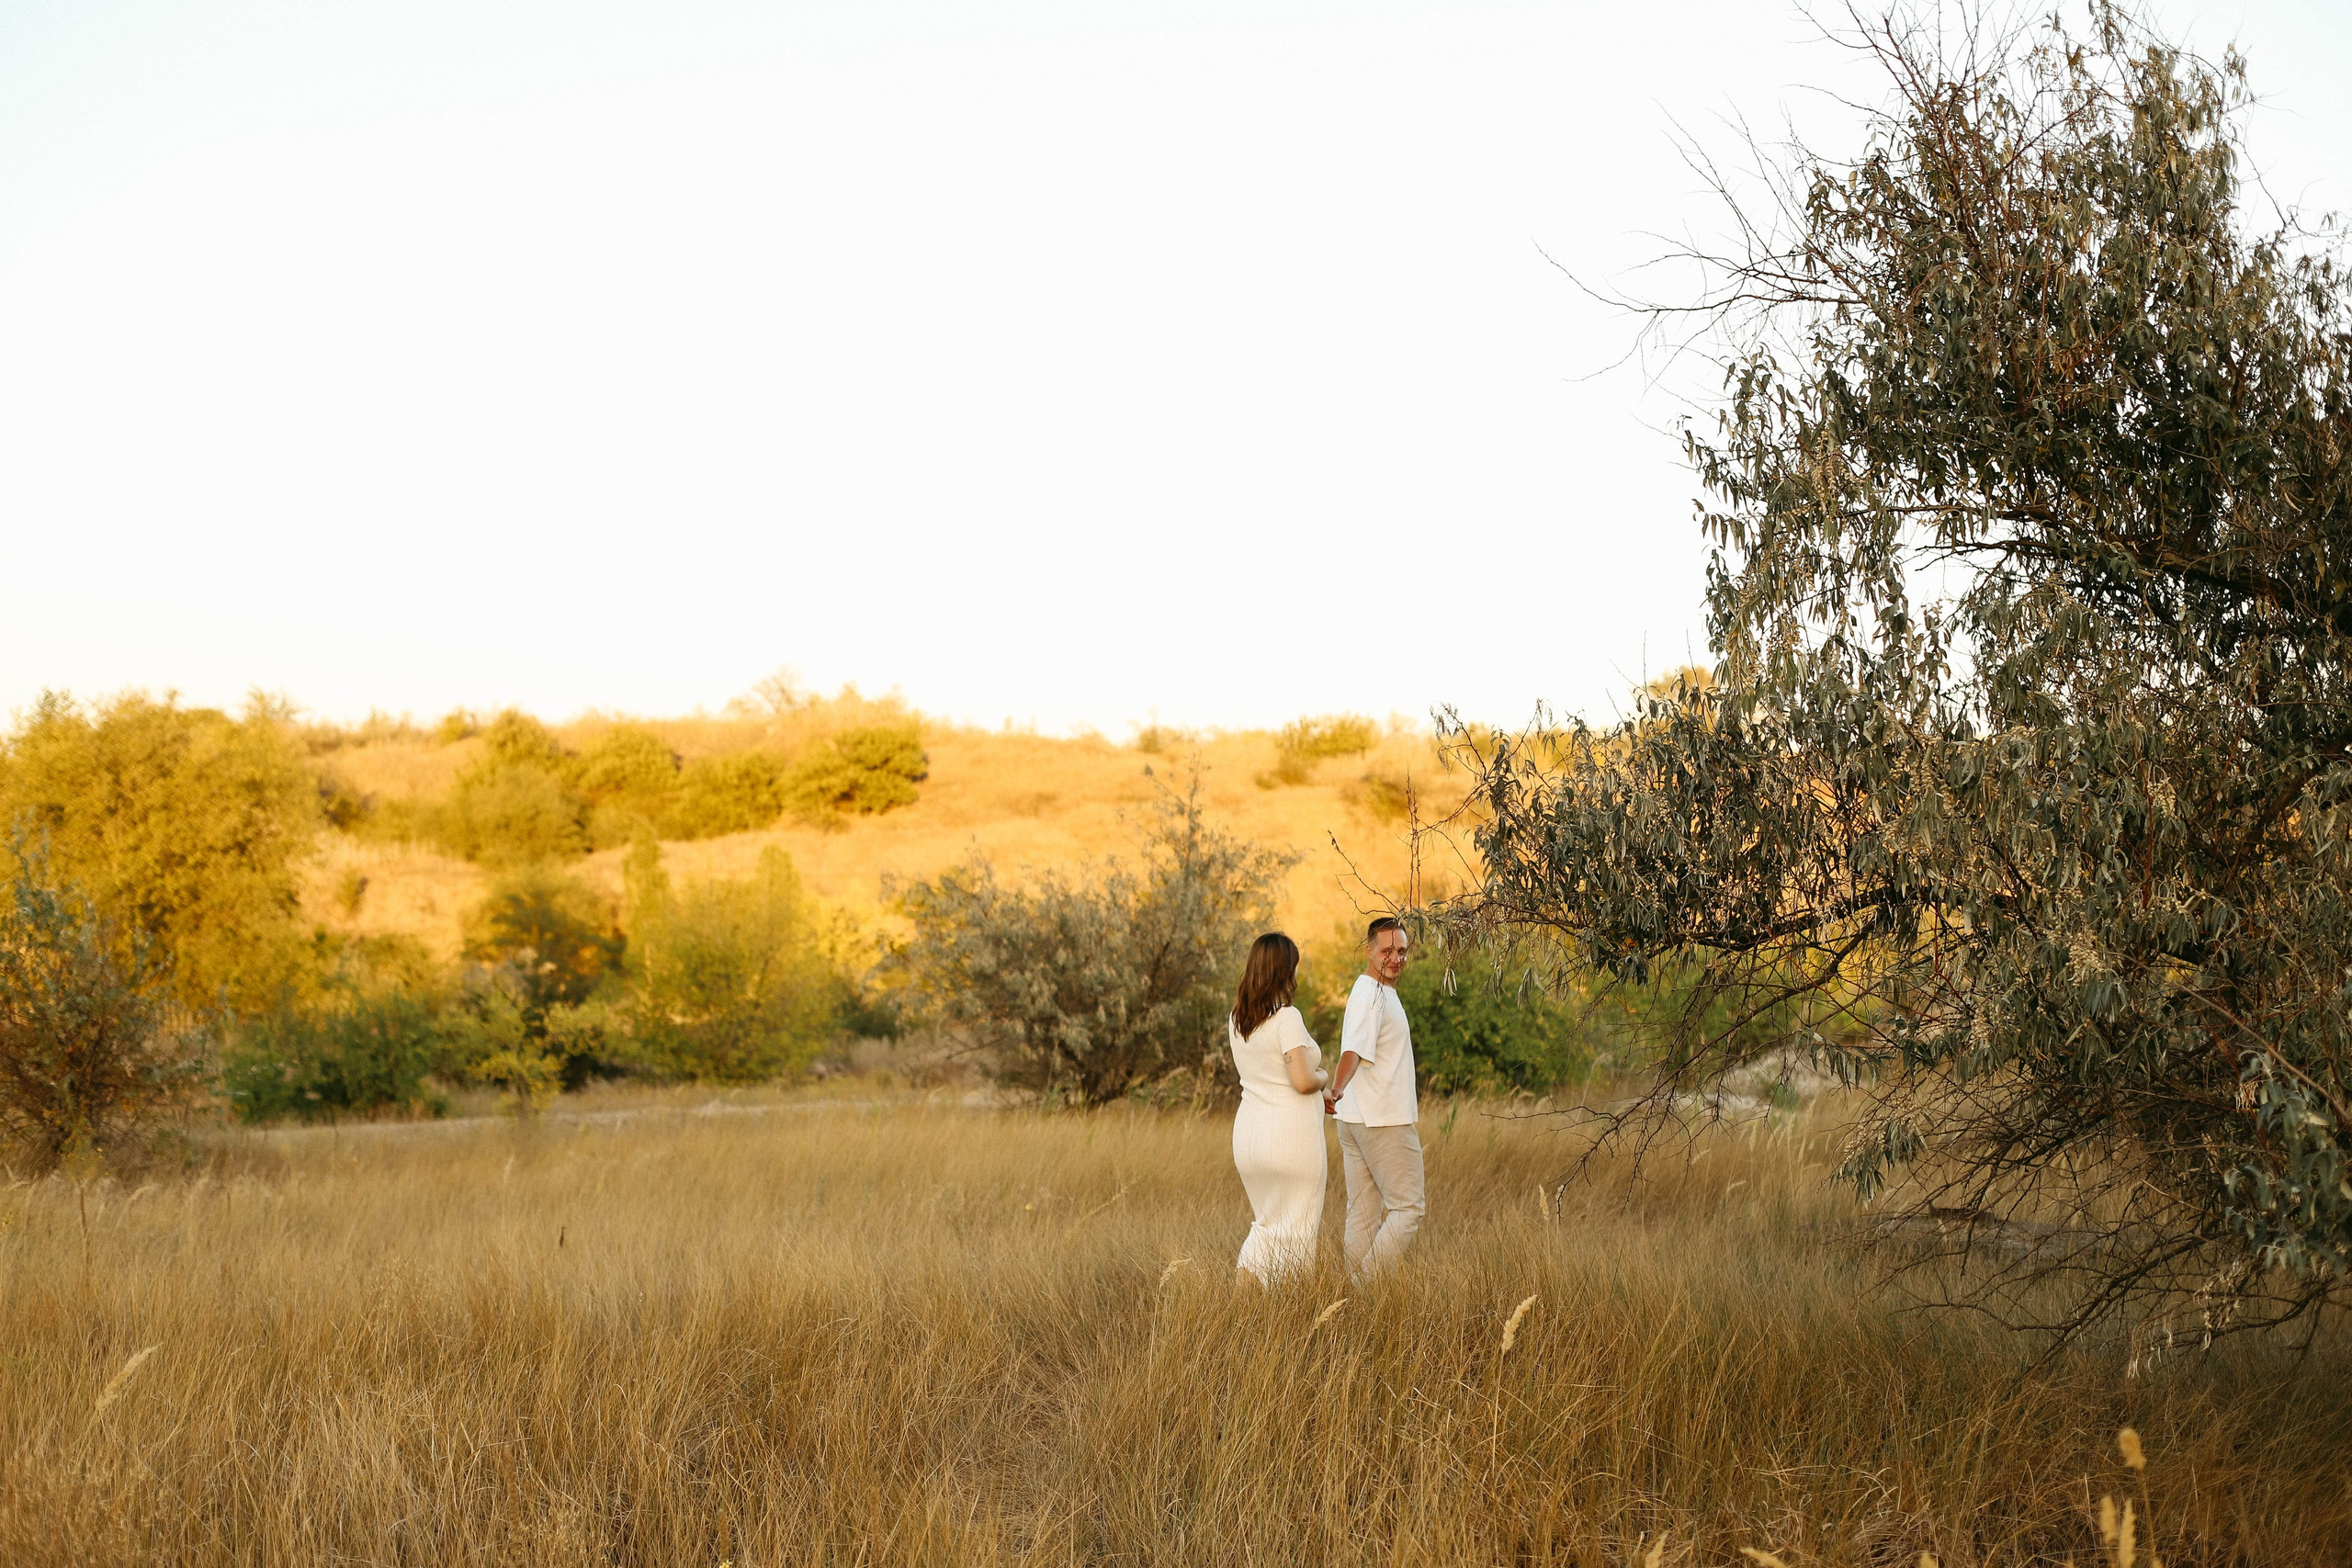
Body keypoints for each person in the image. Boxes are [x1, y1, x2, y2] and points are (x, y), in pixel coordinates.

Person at [1227, 931, 1329, 1280]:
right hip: (1290, 1141)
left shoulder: (1237, 1019)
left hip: (1249, 1138)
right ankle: (1288, 1316)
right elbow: (1301, 1081)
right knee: (1297, 1229)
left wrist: (1320, 1095)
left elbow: (1268, 1074)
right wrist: (1324, 1078)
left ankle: (1243, 1307)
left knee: (1266, 1225)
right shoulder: (1287, 1018)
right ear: (1283, 972)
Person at [1325, 915, 1422, 1275]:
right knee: (1407, 1209)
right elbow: (1353, 1051)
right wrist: (1337, 1088)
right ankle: (1364, 1286)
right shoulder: (1373, 995)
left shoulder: (1373, 991)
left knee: (1363, 1210)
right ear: (1369, 950)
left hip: (1357, 1118)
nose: (1395, 958)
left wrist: (1341, 1094)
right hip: (1382, 1119)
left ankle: (1351, 1301)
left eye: (1402, 950)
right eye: (1387, 951)